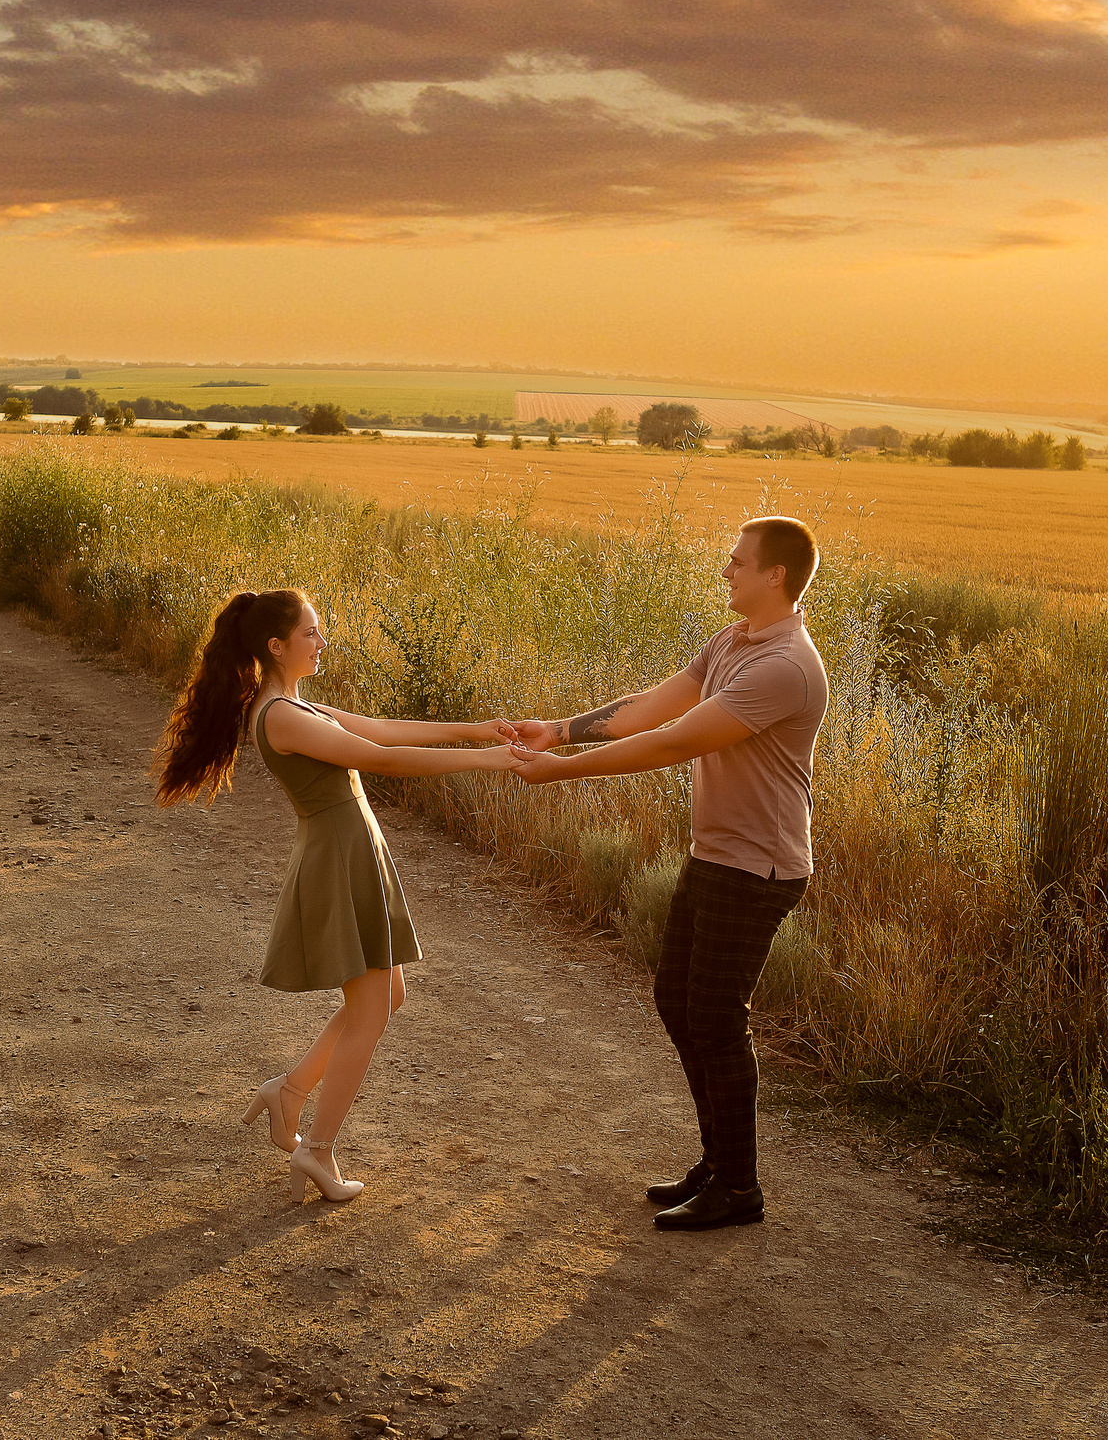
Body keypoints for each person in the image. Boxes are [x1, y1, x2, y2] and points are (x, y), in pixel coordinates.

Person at [152, 588, 531, 1203]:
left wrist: (477, 727)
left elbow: (379, 728)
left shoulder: (295, 705)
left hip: (353, 849)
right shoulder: (279, 715)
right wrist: (488, 758)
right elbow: (381, 758)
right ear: (277, 646)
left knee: (389, 993)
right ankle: (317, 1150)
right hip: (336, 856)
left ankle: (291, 1091)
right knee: (372, 1008)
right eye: (312, 632)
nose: (321, 641)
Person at [513, 517, 828, 1232]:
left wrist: (563, 771)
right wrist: (557, 730)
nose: (726, 570)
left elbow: (672, 740)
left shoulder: (785, 665)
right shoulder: (732, 642)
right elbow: (653, 707)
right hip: (717, 854)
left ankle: (738, 1186)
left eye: (737, 562)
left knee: (716, 1017)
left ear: (775, 575)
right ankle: (718, 1163)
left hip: (759, 866)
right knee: (677, 1001)